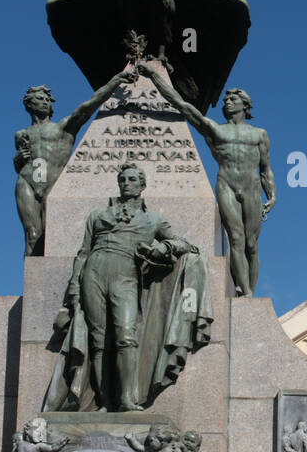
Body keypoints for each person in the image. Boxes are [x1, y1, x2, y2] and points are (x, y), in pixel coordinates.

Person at [47, 163, 202, 412]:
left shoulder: (153, 219)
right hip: (94, 273)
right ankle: (104, 400)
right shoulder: (97, 215)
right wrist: (74, 288)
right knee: (98, 341)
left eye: (132, 179)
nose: (126, 183)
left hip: (126, 275)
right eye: (123, 180)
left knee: (125, 337)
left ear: (142, 185)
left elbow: (182, 243)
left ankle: (127, 399)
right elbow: (83, 253)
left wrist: (164, 248)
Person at [138, 63, 275, 296]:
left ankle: (250, 291)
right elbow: (182, 105)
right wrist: (154, 76)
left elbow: (265, 169)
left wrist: (272, 195)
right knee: (236, 240)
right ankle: (246, 292)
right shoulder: (215, 129)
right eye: (225, 100)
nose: (227, 102)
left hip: (252, 188)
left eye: (233, 99)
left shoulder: (258, 134)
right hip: (227, 186)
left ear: (245, 105)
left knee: (252, 245)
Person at [14, 67, 135, 256]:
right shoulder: (21, 134)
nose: (45, 102)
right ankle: (29, 284)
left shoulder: (62, 127)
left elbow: (88, 106)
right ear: (29, 104)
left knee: (49, 235)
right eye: (40, 99)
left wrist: (116, 80)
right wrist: (18, 159)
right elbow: (20, 164)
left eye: (47, 100)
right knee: (32, 234)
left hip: (53, 183)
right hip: (27, 182)